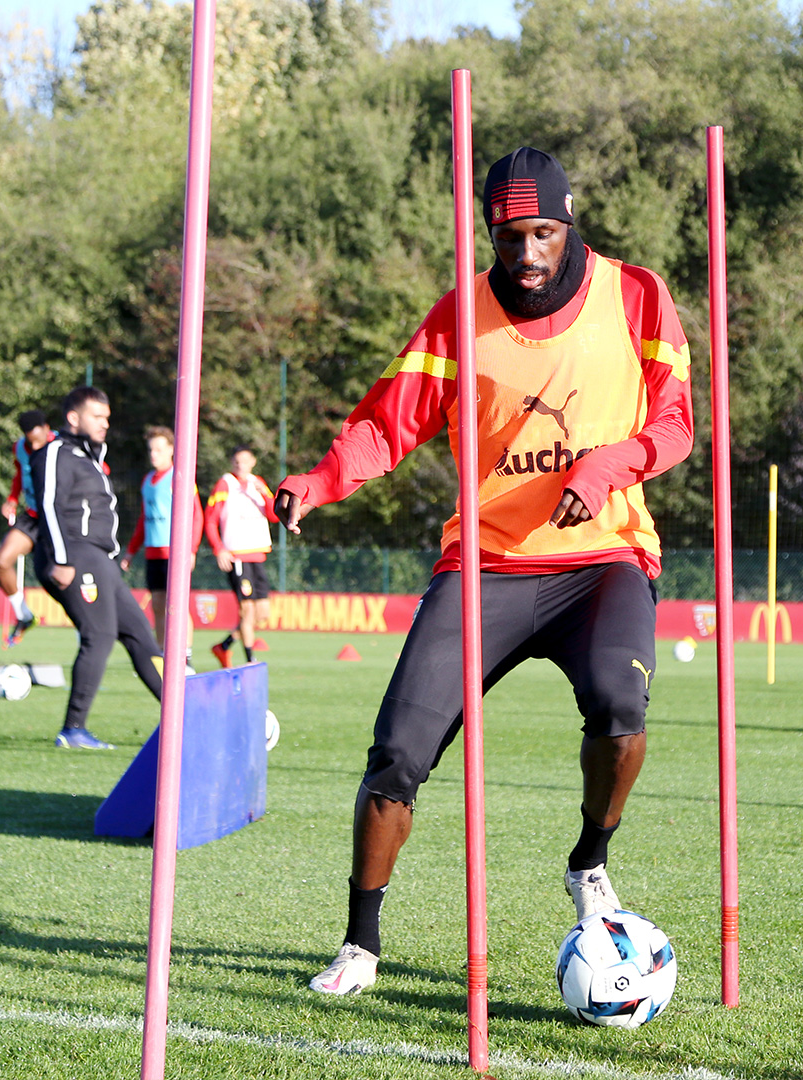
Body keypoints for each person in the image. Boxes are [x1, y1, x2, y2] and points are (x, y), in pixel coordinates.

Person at [275, 147, 694, 995]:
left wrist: (608, 467)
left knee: (621, 699)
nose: (528, 255)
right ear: (491, 234)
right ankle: (360, 942)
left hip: (603, 558)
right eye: (509, 238)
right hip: (487, 566)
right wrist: (318, 483)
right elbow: (386, 423)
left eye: (542, 233)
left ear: (568, 221)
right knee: (397, 752)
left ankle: (589, 862)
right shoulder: (461, 315)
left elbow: (678, 426)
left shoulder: (636, 294)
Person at [30, 386, 165, 750]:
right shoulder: (56, 452)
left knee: (141, 636)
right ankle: (73, 729)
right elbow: (48, 506)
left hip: (100, 560)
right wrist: (60, 559)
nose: (105, 423)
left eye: (107, 417)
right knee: (100, 635)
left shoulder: (88, 456)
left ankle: (183, 717)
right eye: (97, 416)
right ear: (74, 418)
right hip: (75, 554)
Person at [122, 425, 193, 666]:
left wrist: (190, 549)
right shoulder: (147, 481)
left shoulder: (180, 476)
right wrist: (131, 551)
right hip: (153, 552)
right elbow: (144, 519)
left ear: (172, 450)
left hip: (175, 552)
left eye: (159, 449)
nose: (154, 454)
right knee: (159, 605)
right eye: (151, 450)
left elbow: (197, 515)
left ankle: (186, 656)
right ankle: (163, 656)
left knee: (179, 605)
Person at [204, 445, 279, 668]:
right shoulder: (226, 483)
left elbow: (275, 516)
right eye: (236, 462)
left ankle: (224, 646)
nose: (241, 466)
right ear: (231, 463)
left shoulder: (259, 483)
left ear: (253, 462)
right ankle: (250, 661)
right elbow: (210, 519)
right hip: (238, 556)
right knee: (246, 610)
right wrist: (219, 548)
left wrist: (264, 493)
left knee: (262, 613)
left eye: (245, 461)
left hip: (258, 555)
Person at [0, 409, 53, 647]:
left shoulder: (62, 444)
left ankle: (86, 633)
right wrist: (12, 499)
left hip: (58, 519)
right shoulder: (19, 448)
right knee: (1, 560)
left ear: (47, 428)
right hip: (32, 516)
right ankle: (24, 615)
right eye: (32, 440)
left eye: (40, 438)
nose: (36, 445)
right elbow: (20, 474)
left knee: (62, 580)